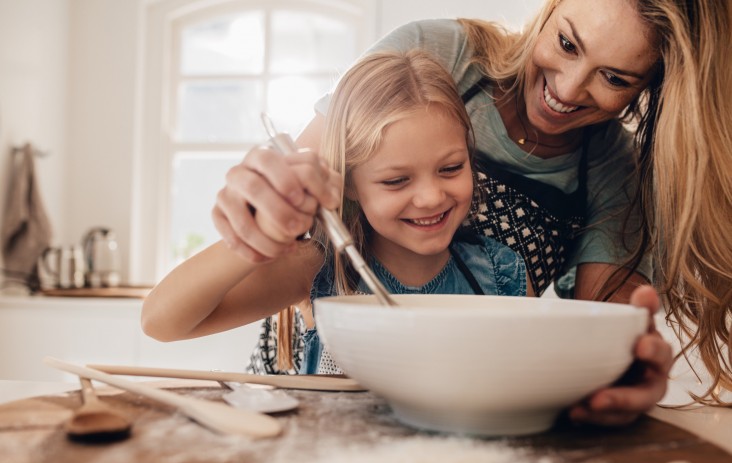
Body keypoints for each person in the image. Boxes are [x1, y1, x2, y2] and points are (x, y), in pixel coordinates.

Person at [211, 0, 732, 421]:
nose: (568, 90)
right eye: (567, 43)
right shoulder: (438, 55)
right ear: (549, 10)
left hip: (461, 413)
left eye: (615, 78)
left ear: (652, 88)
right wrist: (267, 204)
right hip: (305, 379)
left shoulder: (619, 175)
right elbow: (306, 190)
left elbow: (597, 338)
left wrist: (617, 372)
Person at [142, 50, 534, 375]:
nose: (431, 197)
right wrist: (260, 234)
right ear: (349, 183)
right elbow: (161, 322)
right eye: (397, 181)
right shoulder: (319, 270)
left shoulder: (503, 275)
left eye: (450, 169)